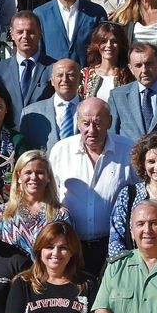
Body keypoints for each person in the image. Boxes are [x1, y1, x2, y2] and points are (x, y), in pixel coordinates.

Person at [49, 97, 135, 273]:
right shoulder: (61, 150)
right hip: (70, 247)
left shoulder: (128, 150)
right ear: (77, 123)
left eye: (98, 123)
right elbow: (50, 196)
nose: (91, 130)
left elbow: (141, 196)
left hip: (113, 246)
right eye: (86, 123)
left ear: (109, 122)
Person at [0, 12, 57, 125]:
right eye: (20, 32)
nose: (25, 36)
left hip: (44, 132)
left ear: (40, 34)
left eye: (31, 32)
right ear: (12, 34)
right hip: (9, 133)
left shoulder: (54, 68)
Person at [0, 150, 71, 254]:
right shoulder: (1, 212)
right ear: (18, 177)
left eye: (40, 173)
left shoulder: (61, 215)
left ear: (48, 177)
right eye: (28, 172)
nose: (34, 177)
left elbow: (68, 252)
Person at [36, 0, 107, 65]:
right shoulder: (40, 15)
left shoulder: (96, 12)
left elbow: (104, 48)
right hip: (53, 74)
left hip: (87, 73)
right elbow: (37, 51)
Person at [82, 22, 132, 100]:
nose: (109, 45)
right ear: (97, 45)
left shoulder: (129, 74)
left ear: (120, 45)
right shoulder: (85, 74)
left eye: (114, 41)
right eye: (103, 41)